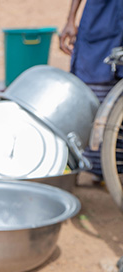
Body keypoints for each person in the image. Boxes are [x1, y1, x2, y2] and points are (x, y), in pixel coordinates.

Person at [59, 0, 123, 178]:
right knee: (90, 96)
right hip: (100, 18)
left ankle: (114, 167)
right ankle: (88, 166)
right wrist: (71, 20)